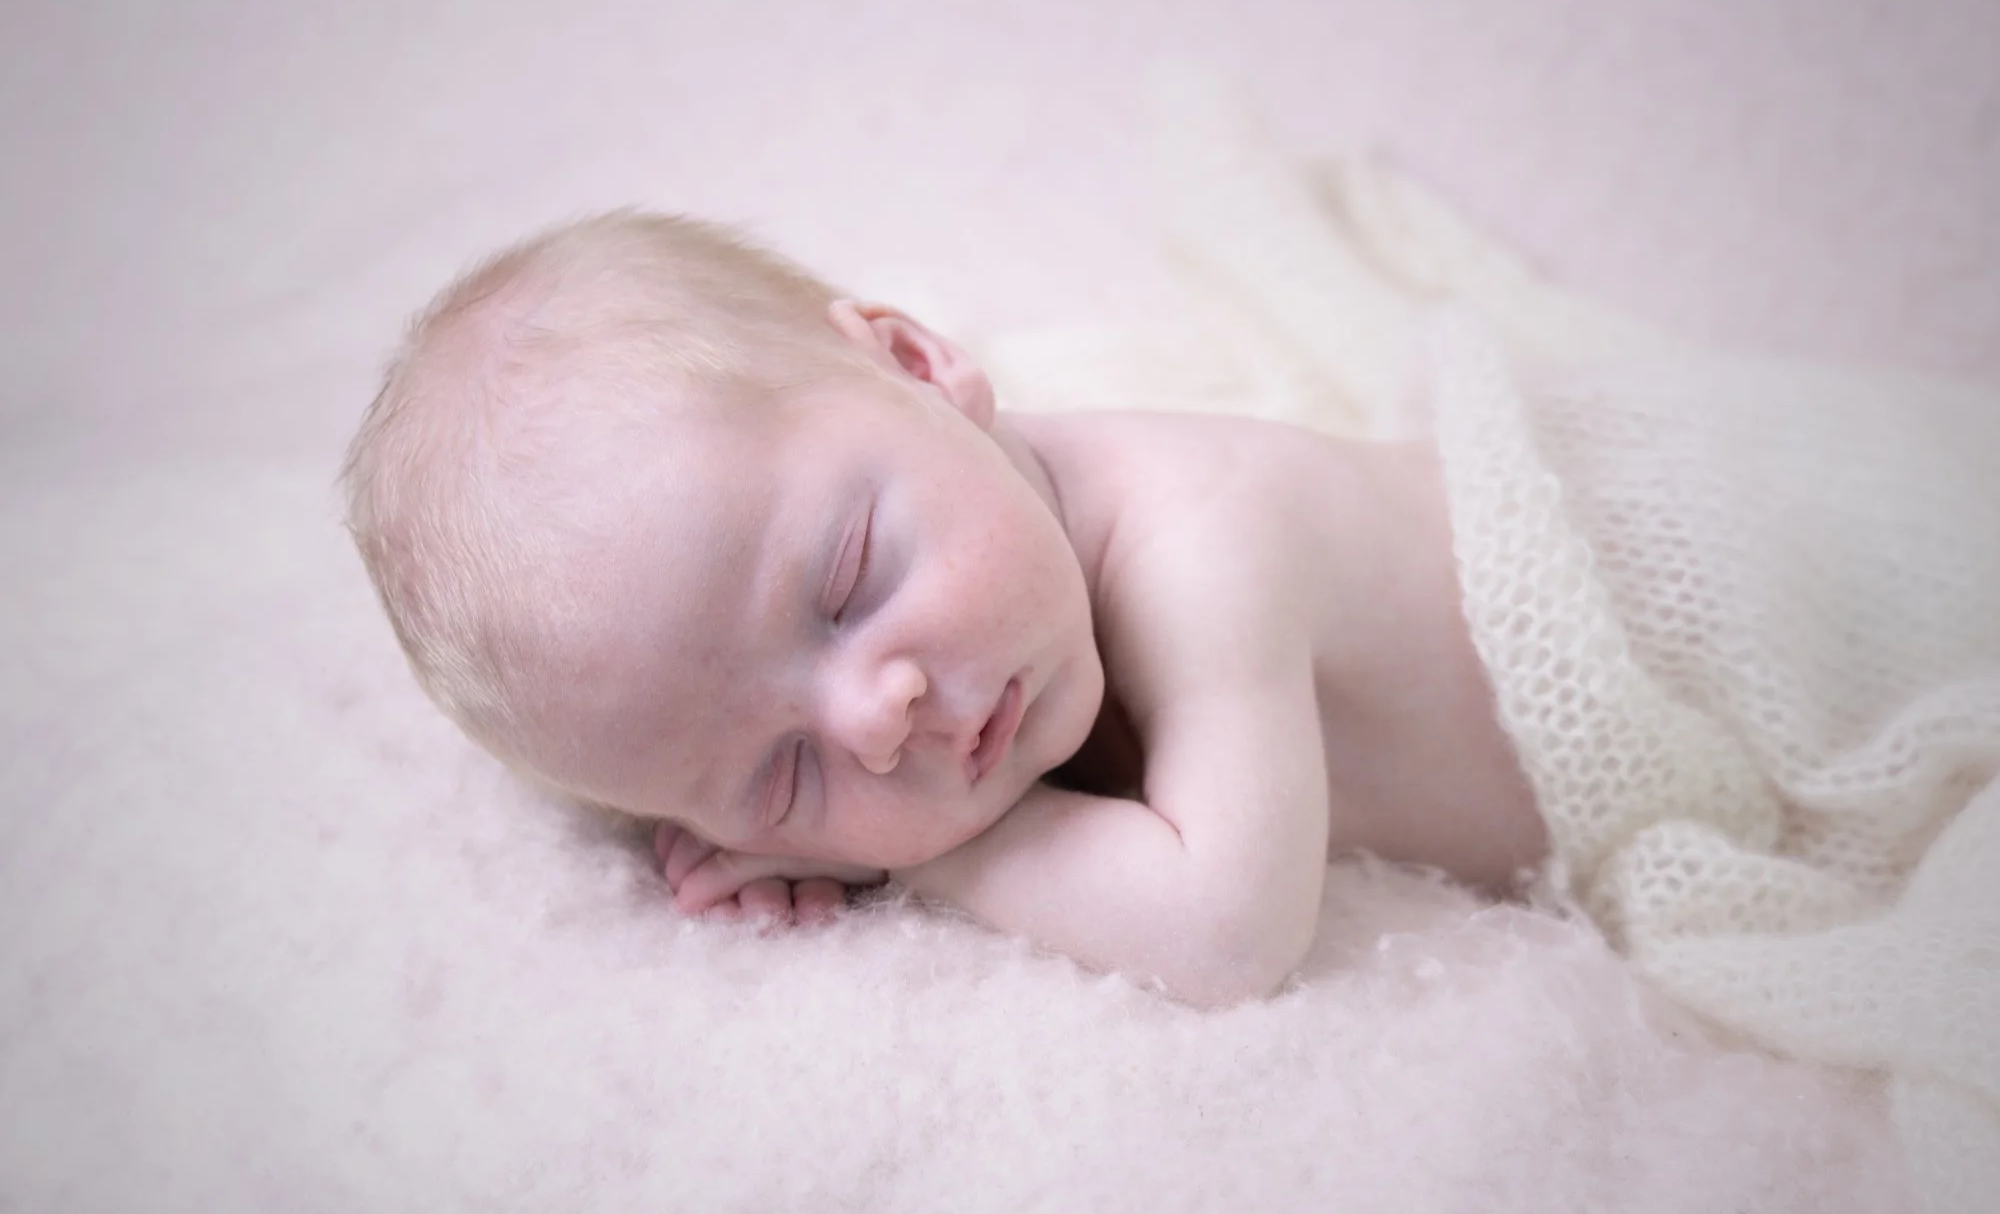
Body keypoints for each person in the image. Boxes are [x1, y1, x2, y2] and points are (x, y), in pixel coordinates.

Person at [340, 209, 1546, 1009]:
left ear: (916, 365)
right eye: (781, 776)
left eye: (846, 581)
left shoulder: (1208, 540)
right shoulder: (994, 610)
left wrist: (935, 854)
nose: (876, 722)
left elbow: (1227, 930)